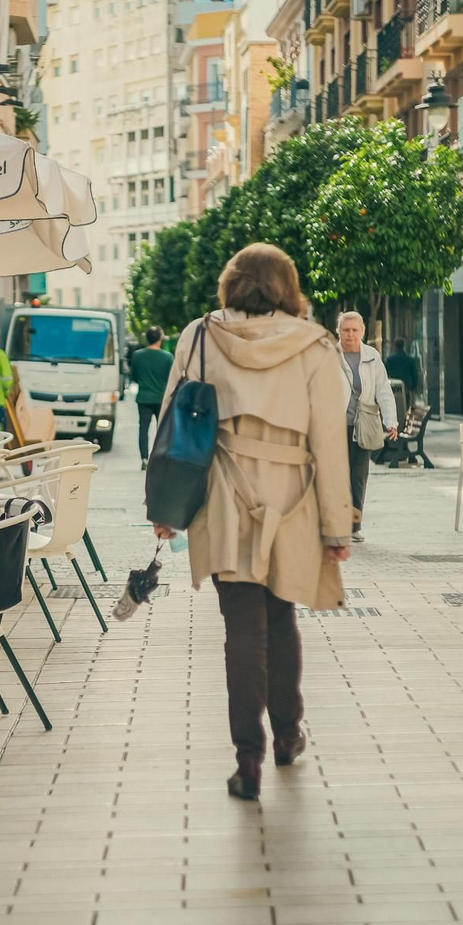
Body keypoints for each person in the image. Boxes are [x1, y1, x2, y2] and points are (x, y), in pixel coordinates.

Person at [149, 243, 352, 802]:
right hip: (293, 500)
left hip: (223, 493)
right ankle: (287, 734)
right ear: (288, 286)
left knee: (241, 627)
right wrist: (337, 526)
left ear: (229, 283)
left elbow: (171, 423)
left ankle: (248, 760)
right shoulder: (315, 345)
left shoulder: (200, 336)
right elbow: (329, 442)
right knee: (281, 617)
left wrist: (165, 507)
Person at [336, 311, 398, 543]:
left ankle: (354, 526)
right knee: (337, 477)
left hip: (363, 426)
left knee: (358, 477)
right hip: (334, 426)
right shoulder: (329, 355)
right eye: (346, 330)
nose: (350, 334)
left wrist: (390, 421)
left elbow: (383, 390)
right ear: (339, 331)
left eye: (354, 330)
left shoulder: (372, 356)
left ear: (362, 331)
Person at [130, 326, 174, 469]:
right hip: (162, 398)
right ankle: (159, 457)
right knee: (162, 429)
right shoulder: (168, 357)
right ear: (160, 339)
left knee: (143, 428)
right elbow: (171, 379)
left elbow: (134, 377)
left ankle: (144, 458)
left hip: (144, 397)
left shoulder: (137, 355)